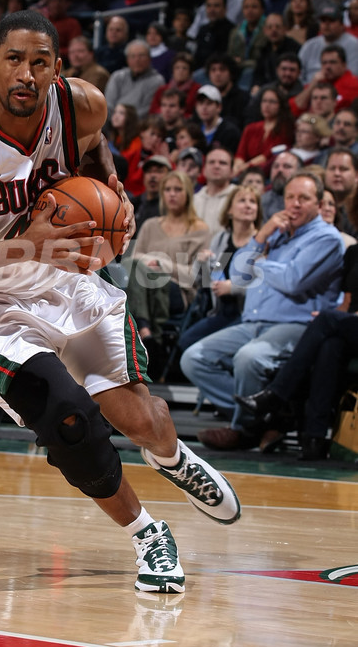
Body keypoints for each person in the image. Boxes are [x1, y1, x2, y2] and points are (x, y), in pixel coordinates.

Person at [0, 9, 240, 594]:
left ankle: (171, 457)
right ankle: (148, 532)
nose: (26, 74)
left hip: (63, 277)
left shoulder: (82, 104)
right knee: (67, 418)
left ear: (57, 68)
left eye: (40, 62)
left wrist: (112, 191)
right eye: (14, 59)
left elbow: (93, 148)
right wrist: (25, 246)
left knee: (142, 421)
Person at [181, 172, 344, 450]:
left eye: (304, 198)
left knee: (248, 358)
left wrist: (260, 263)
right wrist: (260, 236)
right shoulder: (276, 232)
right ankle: (269, 417)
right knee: (194, 358)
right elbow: (238, 274)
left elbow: (293, 280)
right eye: (290, 197)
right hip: (253, 322)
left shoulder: (326, 238)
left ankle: (243, 430)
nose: (295, 204)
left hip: (296, 325)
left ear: (318, 204)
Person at [236, 239, 358, 460]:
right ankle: (314, 438)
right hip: (352, 327)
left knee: (326, 320)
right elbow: (348, 303)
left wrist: (332, 318)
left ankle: (276, 395)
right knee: (330, 345)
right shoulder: (354, 252)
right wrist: (337, 317)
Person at [126, 170, 209, 350]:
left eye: (178, 189)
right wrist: (149, 265)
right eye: (168, 189)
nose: (172, 194)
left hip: (178, 290)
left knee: (137, 274)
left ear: (188, 193)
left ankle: (141, 331)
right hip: (144, 286)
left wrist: (161, 264)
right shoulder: (150, 225)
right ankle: (146, 332)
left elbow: (195, 276)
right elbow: (133, 260)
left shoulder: (200, 229)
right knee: (130, 268)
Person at [178, 184, 262, 353]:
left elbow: (264, 285)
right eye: (242, 201)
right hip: (221, 312)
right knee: (185, 342)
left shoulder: (261, 241)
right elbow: (201, 282)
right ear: (229, 210)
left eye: (253, 202)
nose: (248, 205)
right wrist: (201, 263)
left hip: (247, 314)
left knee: (206, 348)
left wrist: (234, 288)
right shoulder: (221, 239)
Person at [233, 86, 295, 177]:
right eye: (264, 101)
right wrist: (236, 168)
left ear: (281, 105)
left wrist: (244, 168)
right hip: (244, 172)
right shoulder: (250, 128)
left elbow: (267, 156)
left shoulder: (285, 129)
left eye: (272, 102)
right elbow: (240, 155)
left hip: (267, 173)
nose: (267, 105)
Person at [104, 40, 165, 119]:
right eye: (132, 56)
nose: (137, 60)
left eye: (141, 56)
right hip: (113, 121)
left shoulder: (157, 81)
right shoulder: (117, 76)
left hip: (138, 123)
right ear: (127, 59)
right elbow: (108, 105)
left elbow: (146, 110)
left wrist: (123, 120)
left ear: (149, 58)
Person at [193, 147, 237, 234]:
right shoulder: (193, 200)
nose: (216, 166)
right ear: (203, 170)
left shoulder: (239, 198)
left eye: (222, 163)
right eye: (211, 162)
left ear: (232, 171)